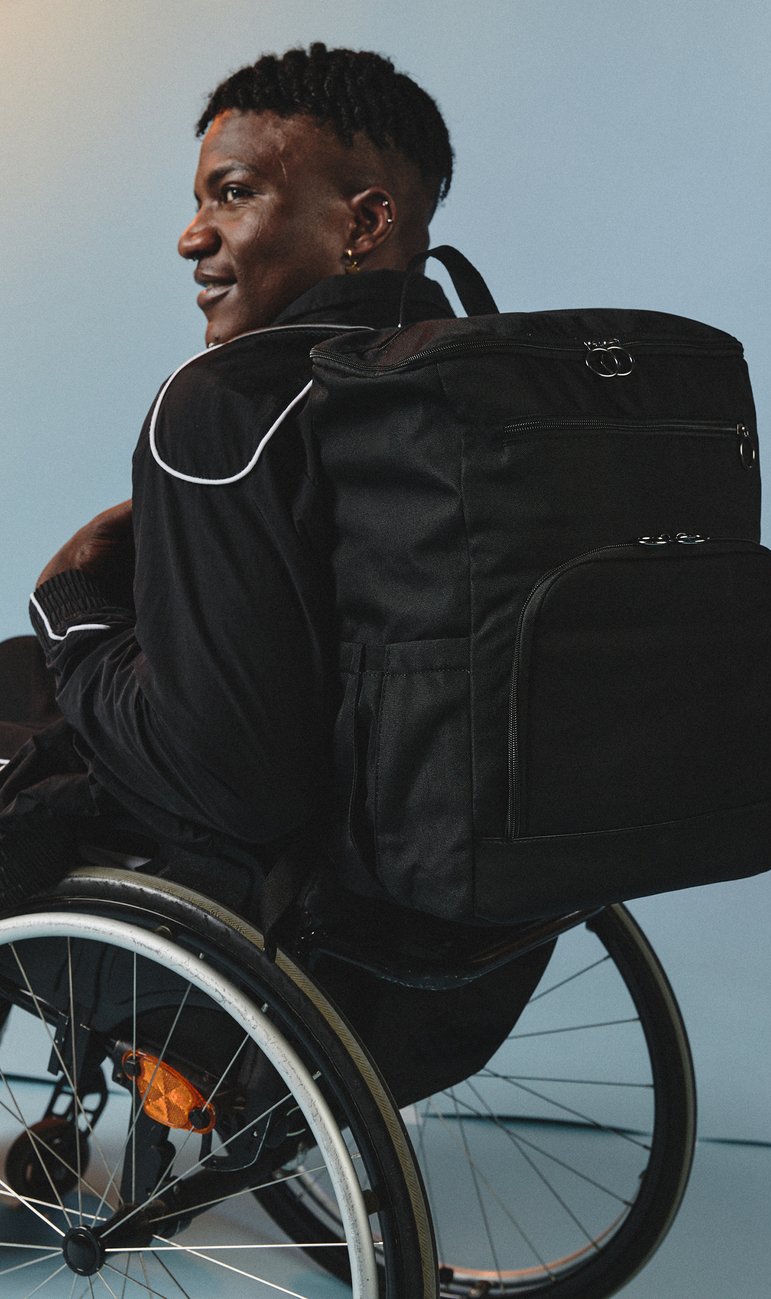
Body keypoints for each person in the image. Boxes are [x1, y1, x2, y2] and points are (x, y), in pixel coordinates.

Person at [0, 43, 550, 1105]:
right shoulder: (473, 381)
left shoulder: (223, 408)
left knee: (37, 681)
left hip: (265, 899)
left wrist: (71, 604)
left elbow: (229, 782)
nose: (191, 234)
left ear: (364, 222)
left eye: (235, 193)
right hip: (430, 894)